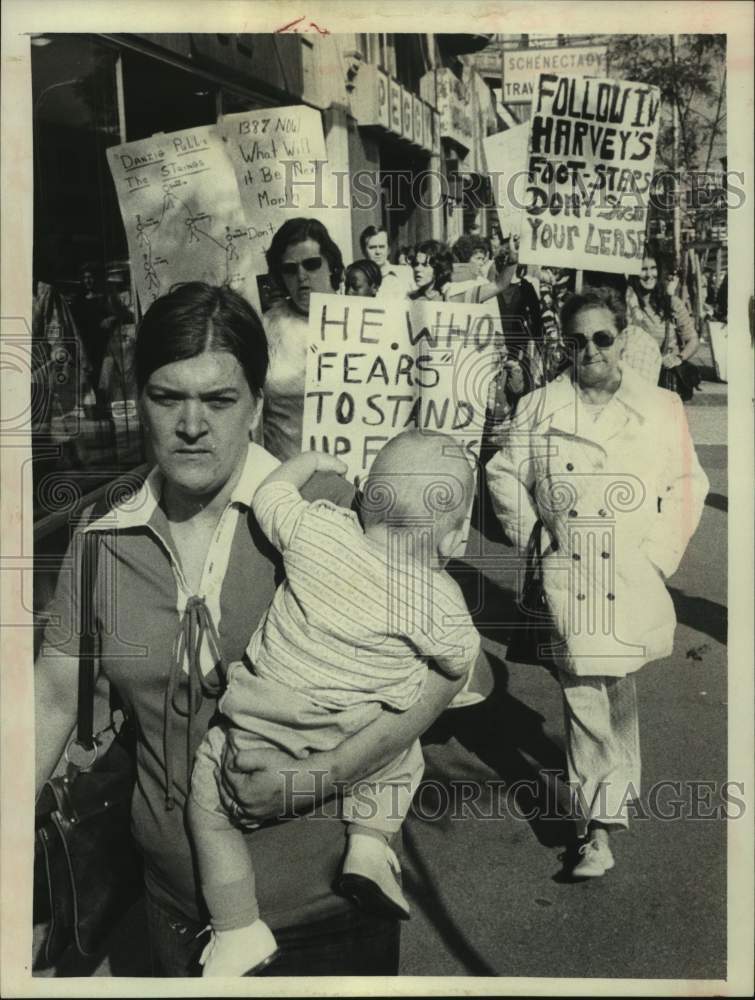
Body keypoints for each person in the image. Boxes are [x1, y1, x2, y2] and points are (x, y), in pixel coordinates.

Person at [35, 282, 469, 977]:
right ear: (137, 401)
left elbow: (438, 681)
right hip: (170, 914)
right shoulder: (103, 536)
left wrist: (317, 777)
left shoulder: (332, 516)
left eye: (218, 399)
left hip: (322, 914)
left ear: (258, 407)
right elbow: (53, 698)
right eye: (166, 396)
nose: (191, 424)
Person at [188, 433, 480, 976]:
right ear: (456, 538)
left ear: (365, 494)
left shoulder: (320, 530)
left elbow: (271, 496)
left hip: (261, 722)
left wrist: (310, 463)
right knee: (400, 756)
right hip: (348, 731)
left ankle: (235, 928)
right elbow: (461, 663)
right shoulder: (441, 603)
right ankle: (369, 845)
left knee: (209, 801)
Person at [486, 287, 709, 879]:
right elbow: (503, 472)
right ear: (566, 344)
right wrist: (534, 533)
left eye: (603, 338)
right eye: (578, 340)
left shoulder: (659, 408)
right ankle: (598, 830)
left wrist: (657, 556)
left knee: (616, 692)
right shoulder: (539, 408)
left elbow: (690, 484)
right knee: (584, 691)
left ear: (623, 339)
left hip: (632, 568)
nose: (591, 351)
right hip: (569, 570)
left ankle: (610, 801)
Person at [262, 218, 344, 462]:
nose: (301, 276)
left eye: (311, 264)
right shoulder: (265, 327)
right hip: (288, 475)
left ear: (331, 265)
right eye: (289, 268)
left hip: (356, 477)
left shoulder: (366, 322)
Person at [625, 249, 700, 395]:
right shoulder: (625, 303)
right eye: (643, 269)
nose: (649, 275)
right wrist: (632, 307)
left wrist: (678, 358)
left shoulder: (672, 303)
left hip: (664, 384)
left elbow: (693, 339)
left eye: (653, 268)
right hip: (635, 383)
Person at [360, 225, 413, 298]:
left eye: (381, 247)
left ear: (389, 250)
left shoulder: (406, 273)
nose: (378, 252)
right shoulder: (358, 278)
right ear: (364, 251)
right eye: (372, 247)